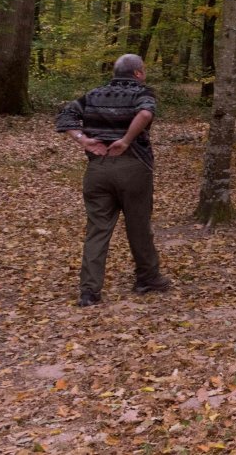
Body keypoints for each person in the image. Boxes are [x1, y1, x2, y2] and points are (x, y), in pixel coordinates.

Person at [55, 53, 172, 306]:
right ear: (138, 73)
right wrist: (126, 140)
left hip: (98, 168)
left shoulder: (94, 94)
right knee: (138, 226)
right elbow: (145, 114)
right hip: (133, 166)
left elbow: (65, 117)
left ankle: (89, 292)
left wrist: (83, 140)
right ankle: (147, 278)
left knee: (97, 230)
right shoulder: (142, 92)